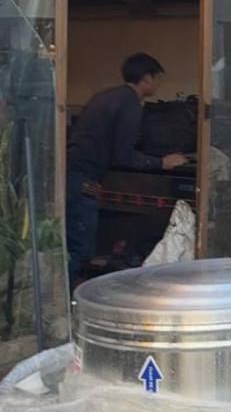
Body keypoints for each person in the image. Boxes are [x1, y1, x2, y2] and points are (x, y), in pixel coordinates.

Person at [66, 53, 188, 287]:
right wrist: (161, 162)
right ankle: (68, 300)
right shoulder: (130, 103)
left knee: (75, 247)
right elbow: (124, 155)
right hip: (84, 182)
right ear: (147, 78)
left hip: (74, 177)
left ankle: (68, 296)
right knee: (80, 250)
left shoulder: (106, 96)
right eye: (157, 78)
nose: (158, 84)